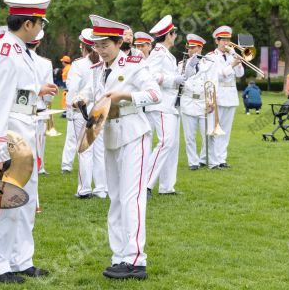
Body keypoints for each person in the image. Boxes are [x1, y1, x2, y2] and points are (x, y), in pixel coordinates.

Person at [0, 0, 57, 284]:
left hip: (25, 131)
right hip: (10, 136)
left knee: (26, 202)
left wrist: (37, 92)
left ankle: (21, 259)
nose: (39, 28)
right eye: (39, 23)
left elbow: (15, 95)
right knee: (4, 202)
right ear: (28, 23)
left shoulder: (19, 50)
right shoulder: (5, 52)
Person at [88, 15, 160, 280]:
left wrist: (125, 95)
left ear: (119, 43)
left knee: (133, 198)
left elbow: (155, 95)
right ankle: (119, 256)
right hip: (109, 136)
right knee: (115, 198)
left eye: (105, 44)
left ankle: (136, 259)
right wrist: (82, 102)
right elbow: (95, 100)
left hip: (133, 134)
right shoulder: (97, 69)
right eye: (97, 45)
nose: (101, 49)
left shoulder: (134, 64)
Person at [63, 28, 107, 197]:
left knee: (84, 151)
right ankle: (101, 188)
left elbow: (72, 89)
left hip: (80, 110)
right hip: (100, 109)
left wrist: (71, 107)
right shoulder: (104, 63)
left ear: (84, 46)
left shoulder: (78, 65)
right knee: (99, 150)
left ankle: (84, 189)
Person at [145, 15, 183, 196]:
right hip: (161, 105)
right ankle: (146, 184)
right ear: (168, 35)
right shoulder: (157, 53)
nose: (175, 36)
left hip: (170, 106)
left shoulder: (167, 55)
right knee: (165, 142)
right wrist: (172, 79)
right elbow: (150, 76)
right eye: (174, 33)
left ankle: (167, 186)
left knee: (173, 144)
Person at [197, 26, 244, 169]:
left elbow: (240, 74)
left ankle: (219, 159)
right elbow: (218, 74)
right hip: (217, 96)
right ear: (217, 40)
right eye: (223, 39)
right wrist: (232, 64)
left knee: (226, 131)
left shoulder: (232, 55)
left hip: (231, 96)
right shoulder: (211, 56)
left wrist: (236, 58)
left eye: (228, 39)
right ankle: (213, 159)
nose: (226, 42)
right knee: (214, 129)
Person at [179, 33, 208, 170]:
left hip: (203, 102)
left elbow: (212, 82)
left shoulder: (209, 64)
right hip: (188, 101)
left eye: (193, 48)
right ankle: (193, 162)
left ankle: (203, 158)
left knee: (207, 134)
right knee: (189, 136)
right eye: (189, 48)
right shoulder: (182, 65)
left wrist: (212, 101)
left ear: (200, 48)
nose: (190, 50)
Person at [28, 30, 54, 178]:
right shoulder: (45, 63)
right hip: (40, 106)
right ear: (38, 43)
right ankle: (39, 166)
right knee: (39, 140)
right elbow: (49, 90)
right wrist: (48, 103)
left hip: (22, 106)